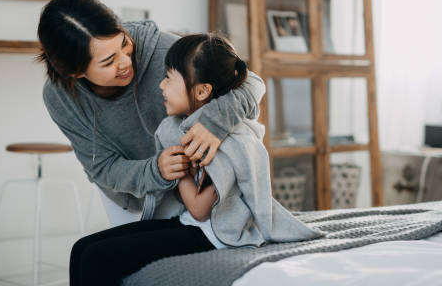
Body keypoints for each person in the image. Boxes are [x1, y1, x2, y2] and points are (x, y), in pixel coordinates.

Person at [69, 34, 323, 286]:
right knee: (81, 248)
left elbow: (200, 209)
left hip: (214, 235)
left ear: (201, 91)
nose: (161, 86)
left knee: (96, 257)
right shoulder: (186, 128)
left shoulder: (219, 142)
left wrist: (180, 172)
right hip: (192, 225)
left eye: (169, 78)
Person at [37, 0, 266, 226]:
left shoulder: (163, 49)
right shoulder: (60, 97)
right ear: (75, 73)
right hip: (132, 197)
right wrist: (156, 170)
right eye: (108, 62)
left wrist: (214, 123)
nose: (125, 61)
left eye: (124, 43)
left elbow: (252, 83)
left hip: (196, 187)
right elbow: (103, 167)